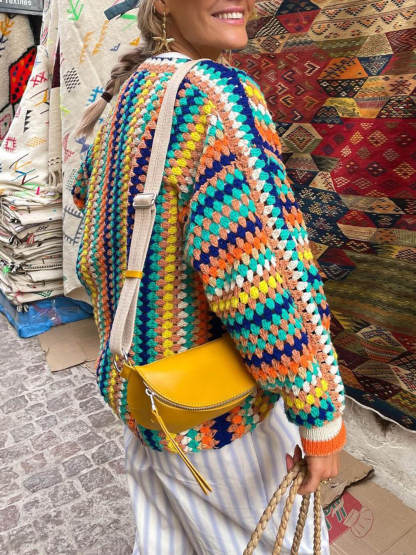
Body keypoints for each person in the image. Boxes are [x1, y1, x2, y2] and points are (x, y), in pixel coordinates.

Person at [72, 1, 346, 553]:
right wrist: (318, 410)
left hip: (147, 394)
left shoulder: (128, 92)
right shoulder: (216, 95)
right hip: (215, 416)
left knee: (167, 542)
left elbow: (90, 212)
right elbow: (261, 278)